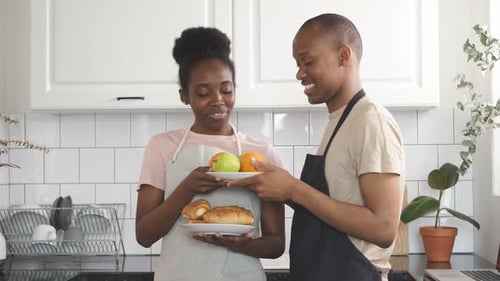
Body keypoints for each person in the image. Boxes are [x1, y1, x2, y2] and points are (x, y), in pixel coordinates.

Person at [228, 13, 405, 281]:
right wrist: (279, 189)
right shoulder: (341, 120)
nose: (299, 73)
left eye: (307, 61)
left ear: (344, 56)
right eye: (298, 64)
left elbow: (383, 228)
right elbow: (336, 205)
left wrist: (295, 189)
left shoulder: (371, 121)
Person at [135, 27, 285, 281]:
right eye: (203, 93)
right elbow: (144, 235)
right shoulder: (162, 147)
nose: (218, 100)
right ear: (185, 96)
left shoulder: (261, 154)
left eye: (226, 90)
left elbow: (276, 244)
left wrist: (240, 245)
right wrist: (186, 189)